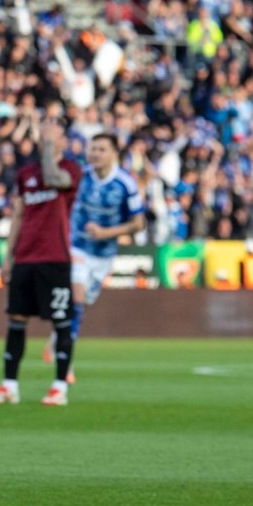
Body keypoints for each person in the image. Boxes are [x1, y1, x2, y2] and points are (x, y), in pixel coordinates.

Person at [0, 118, 81, 407]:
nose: (46, 138)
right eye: (43, 135)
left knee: (61, 322)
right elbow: (18, 215)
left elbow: (54, 179)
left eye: (53, 134)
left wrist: (49, 145)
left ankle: (59, 386)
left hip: (55, 258)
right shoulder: (26, 173)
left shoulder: (70, 170)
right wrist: (8, 257)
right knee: (16, 320)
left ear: (63, 141)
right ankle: (9, 385)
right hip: (26, 258)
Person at [65, 133, 146, 384]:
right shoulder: (80, 177)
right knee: (77, 298)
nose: (95, 154)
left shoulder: (125, 183)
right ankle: (65, 362)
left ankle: (59, 336)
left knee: (85, 301)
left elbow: (138, 223)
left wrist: (106, 233)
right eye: (93, 149)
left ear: (113, 154)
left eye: (101, 149)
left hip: (104, 253)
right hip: (77, 246)